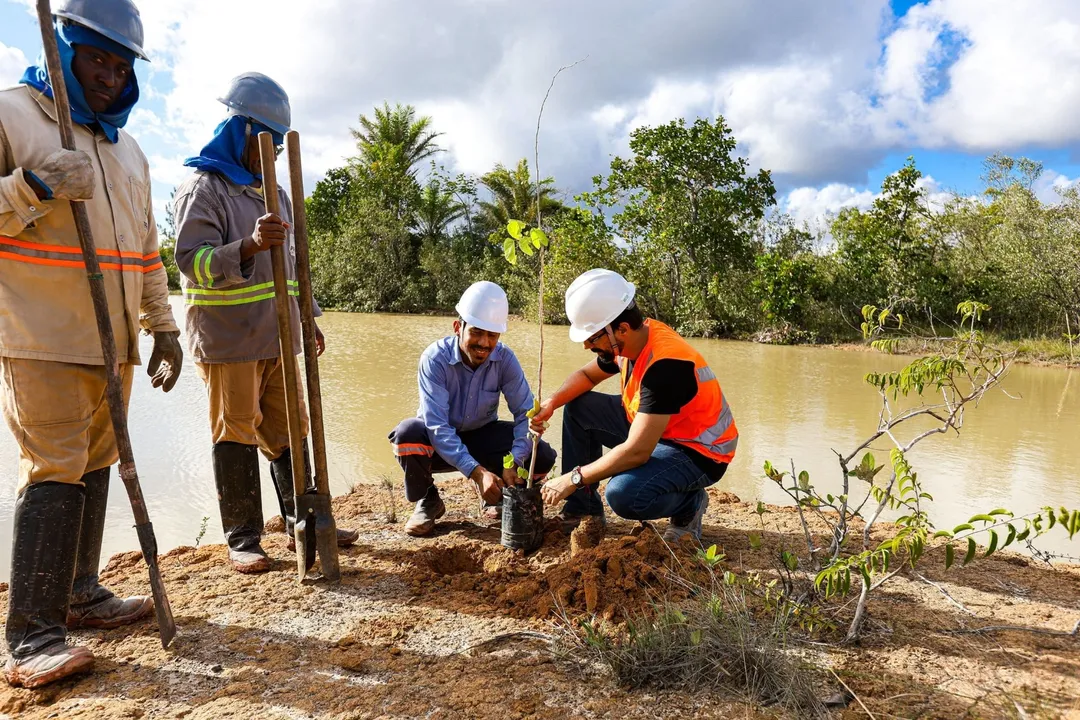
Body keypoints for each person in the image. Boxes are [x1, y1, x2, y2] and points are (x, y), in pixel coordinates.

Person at [0, 0, 184, 687]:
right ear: (62, 44)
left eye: (120, 64)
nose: (109, 76)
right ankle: (30, 638)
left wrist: (161, 325)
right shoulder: (13, 115)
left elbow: (145, 251)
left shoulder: (125, 147)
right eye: (96, 58)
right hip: (41, 337)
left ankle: (79, 591)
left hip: (113, 347)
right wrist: (34, 185)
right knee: (53, 468)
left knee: (97, 461)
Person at [172, 71, 357, 574]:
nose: (273, 153)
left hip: (277, 334)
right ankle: (244, 538)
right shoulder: (204, 189)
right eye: (267, 142)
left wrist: (307, 319)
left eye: (278, 145)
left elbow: (294, 266)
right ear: (240, 130)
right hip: (229, 338)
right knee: (235, 431)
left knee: (289, 428)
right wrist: (249, 245)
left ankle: (305, 517)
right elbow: (193, 263)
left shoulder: (275, 192)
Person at [535, 269, 738, 542]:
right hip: (662, 428)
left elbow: (637, 452)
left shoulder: (666, 366)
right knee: (578, 407)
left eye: (593, 337)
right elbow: (586, 376)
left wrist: (572, 478)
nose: (586, 345)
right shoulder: (631, 342)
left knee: (623, 494)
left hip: (699, 451)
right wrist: (552, 403)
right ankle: (584, 510)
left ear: (622, 329)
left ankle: (689, 504)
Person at [388, 281, 557, 536]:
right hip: (437, 442)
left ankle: (505, 496)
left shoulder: (505, 359)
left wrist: (513, 461)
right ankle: (428, 499)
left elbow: (524, 413)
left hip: (482, 434)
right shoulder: (435, 359)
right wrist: (477, 473)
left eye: (492, 335)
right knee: (407, 434)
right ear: (458, 327)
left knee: (540, 453)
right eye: (477, 332)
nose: (484, 343)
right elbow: (437, 426)